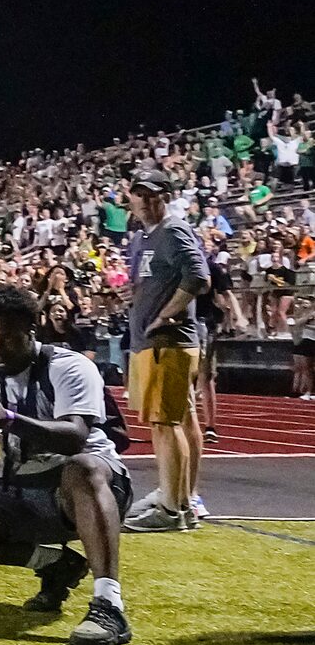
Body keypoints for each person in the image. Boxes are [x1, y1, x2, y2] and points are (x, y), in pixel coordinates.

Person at [0, 283, 133, 645]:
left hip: (92, 484)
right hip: (25, 488)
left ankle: (108, 604)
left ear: (31, 331)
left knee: (80, 468)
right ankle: (55, 564)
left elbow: (75, 436)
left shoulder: (70, 366)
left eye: (8, 340)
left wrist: (9, 420)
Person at [120, 168, 207, 532]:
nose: (147, 201)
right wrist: (135, 297)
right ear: (132, 198)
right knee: (181, 419)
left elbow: (199, 277)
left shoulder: (172, 230)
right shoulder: (145, 235)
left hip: (167, 343)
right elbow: (152, 280)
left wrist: (166, 315)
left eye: (154, 195)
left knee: (165, 422)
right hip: (151, 342)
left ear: (165, 197)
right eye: (141, 194)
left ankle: (174, 509)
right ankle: (180, 496)